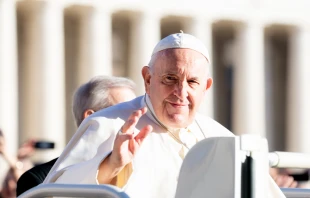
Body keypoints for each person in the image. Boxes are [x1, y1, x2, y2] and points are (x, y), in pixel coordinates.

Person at [45, 33, 286, 197]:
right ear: (148, 80)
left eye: (192, 82)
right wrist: (111, 166)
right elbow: (53, 193)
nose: (181, 92)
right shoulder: (105, 124)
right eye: (170, 79)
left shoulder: (220, 136)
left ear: (206, 88)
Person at [16, 75, 136, 196]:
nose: (137, 122)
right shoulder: (38, 181)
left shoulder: (146, 171)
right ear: (92, 117)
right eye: (125, 113)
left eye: (141, 113)